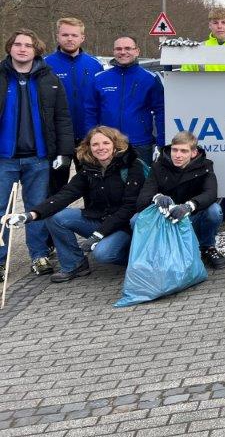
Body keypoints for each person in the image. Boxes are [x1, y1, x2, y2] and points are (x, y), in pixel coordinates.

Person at [8, 126, 145, 283]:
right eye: (95, 144)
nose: (101, 148)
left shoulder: (133, 166)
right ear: (88, 147)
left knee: (103, 254)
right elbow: (65, 195)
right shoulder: (88, 169)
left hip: (123, 226)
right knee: (56, 216)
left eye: (106, 143)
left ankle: (136, 259)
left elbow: (129, 208)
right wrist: (30, 215)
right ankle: (74, 264)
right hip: (99, 220)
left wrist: (98, 235)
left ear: (115, 144)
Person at [0, 29, 74, 278]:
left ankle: (39, 255)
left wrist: (64, 152)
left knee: (37, 208)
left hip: (39, 158)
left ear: (36, 50)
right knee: (1, 210)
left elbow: (62, 118)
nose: (22, 49)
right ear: (10, 48)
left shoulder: (49, 79)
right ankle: (1, 260)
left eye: (28, 45)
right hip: (4, 158)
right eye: (17, 44)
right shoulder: (1, 77)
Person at [138, 130, 225, 270]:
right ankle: (152, 254)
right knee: (135, 220)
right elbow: (143, 198)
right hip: (167, 220)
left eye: (184, 151)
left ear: (194, 153)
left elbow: (211, 193)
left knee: (214, 211)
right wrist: (157, 198)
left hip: (191, 217)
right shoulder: (158, 166)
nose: (178, 155)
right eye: (175, 150)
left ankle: (207, 247)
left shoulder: (205, 166)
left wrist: (189, 206)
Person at [44, 17, 103, 191]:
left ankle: (92, 217)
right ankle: (52, 217)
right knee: (55, 186)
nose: (70, 39)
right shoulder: (45, 65)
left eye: (74, 35)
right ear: (58, 36)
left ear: (82, 38)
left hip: (88, 136)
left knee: (93, 186)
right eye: (65, 35)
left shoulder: (95, 65)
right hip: (57, 137)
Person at [85, 36, 165, 165]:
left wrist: (161, 142)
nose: (123, 52)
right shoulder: (99, 78)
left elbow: (161, 111)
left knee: (141, 183)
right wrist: (91, 139)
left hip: (140, 143)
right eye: (119, 49)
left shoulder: (150, 78)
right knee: (108, 184)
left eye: (128, 48)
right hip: (107, 144)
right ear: (114, 51)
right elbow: (90, 111)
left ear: (137, 51)